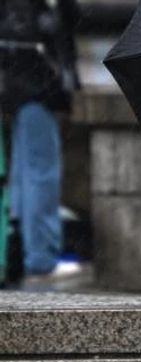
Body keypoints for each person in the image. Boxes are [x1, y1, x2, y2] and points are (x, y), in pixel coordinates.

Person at [1, 0, 80, 281]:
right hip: (37, 83)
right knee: (40, 172)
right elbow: (65, 22)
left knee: (20, 172)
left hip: (10, 80)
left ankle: (14, 250)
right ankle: (41, 258)